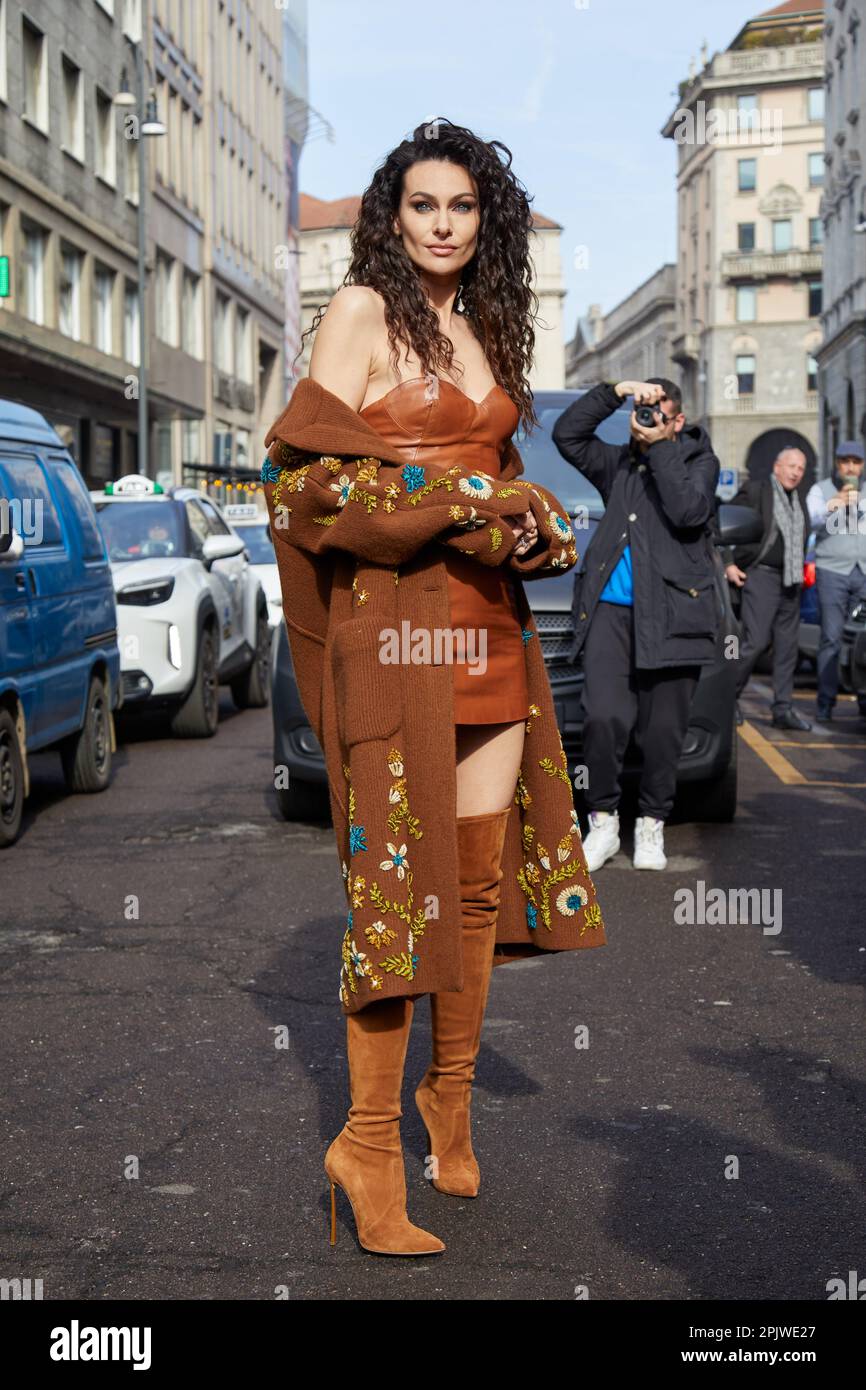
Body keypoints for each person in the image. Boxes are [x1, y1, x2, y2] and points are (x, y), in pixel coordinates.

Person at [260, 118, 606, 1258]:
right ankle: (364, 1143)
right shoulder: (361, 310)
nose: (443, 225)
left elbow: (509, 476)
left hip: (490, 634)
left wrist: (531, 524)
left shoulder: (489, 324)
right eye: (423, 206)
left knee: (471, 886)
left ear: (484, 219)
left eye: (461, 207)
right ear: (391, 214)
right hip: (394, 627)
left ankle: (444, 1099)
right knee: (392, 892)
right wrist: (461, 504)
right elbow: (308, 477)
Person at [551, 377, 720, 873]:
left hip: (673, 614)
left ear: (678, 420)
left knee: (664, 730)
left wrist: (661, 448)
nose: (646, 418)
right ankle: (602, 821)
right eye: (642, 410)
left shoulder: (698, 461)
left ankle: (651, 823)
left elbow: (689, 511)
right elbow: (568, 436)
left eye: (657, 410)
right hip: (610, 611)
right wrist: (614, 391)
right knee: (604, 717)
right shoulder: (619, 464)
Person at [723, 448, 812, 731]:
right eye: (791, 466)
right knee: (755, 642)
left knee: (787, 649)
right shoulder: (757, 490)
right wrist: (727, 563)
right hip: (760, 576)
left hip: (791, 580)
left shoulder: (799, 499)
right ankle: (725, 699)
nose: (796, 472)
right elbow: (722, 520)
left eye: (800, 468)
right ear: (777, 466)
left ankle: (783, 708)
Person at [805, 440, 866, 721]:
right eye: (846, 462)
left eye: (856, 462)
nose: (851, 467)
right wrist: (837, 504)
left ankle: (862, 699)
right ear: (837, 464)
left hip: (863, 571)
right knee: (831, 637)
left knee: (862, 642)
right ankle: (826, 701)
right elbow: (813, 521)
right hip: (832, 571)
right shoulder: (821, 490)